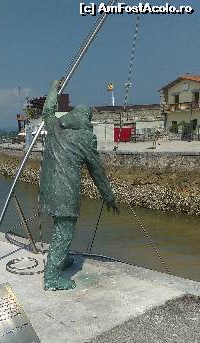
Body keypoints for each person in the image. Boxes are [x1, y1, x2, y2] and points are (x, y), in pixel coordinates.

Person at [39, 80, 119, 291]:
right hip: (66, 192)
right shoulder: (85, 138)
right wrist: (108, 196)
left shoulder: (55, 127)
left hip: (49, 192)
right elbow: (97, 171)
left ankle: (61, 260)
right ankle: (52, 278)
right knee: (65, 232)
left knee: (59, 228)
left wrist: (54, 88)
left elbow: (48, 111)